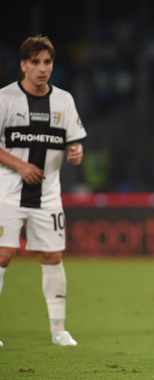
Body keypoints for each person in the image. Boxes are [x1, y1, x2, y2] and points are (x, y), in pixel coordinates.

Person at [0, 35, 87, 346]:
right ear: (23, 64)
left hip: (48, 195)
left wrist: (75, 152)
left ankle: (58, 329)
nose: (42, 68)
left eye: (47, 62)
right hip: (8, 193)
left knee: (52, 256)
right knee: (3, 254)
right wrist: (19, 165)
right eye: (35, 62)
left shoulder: (63, 100)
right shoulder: (6, 98)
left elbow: (72, 141)